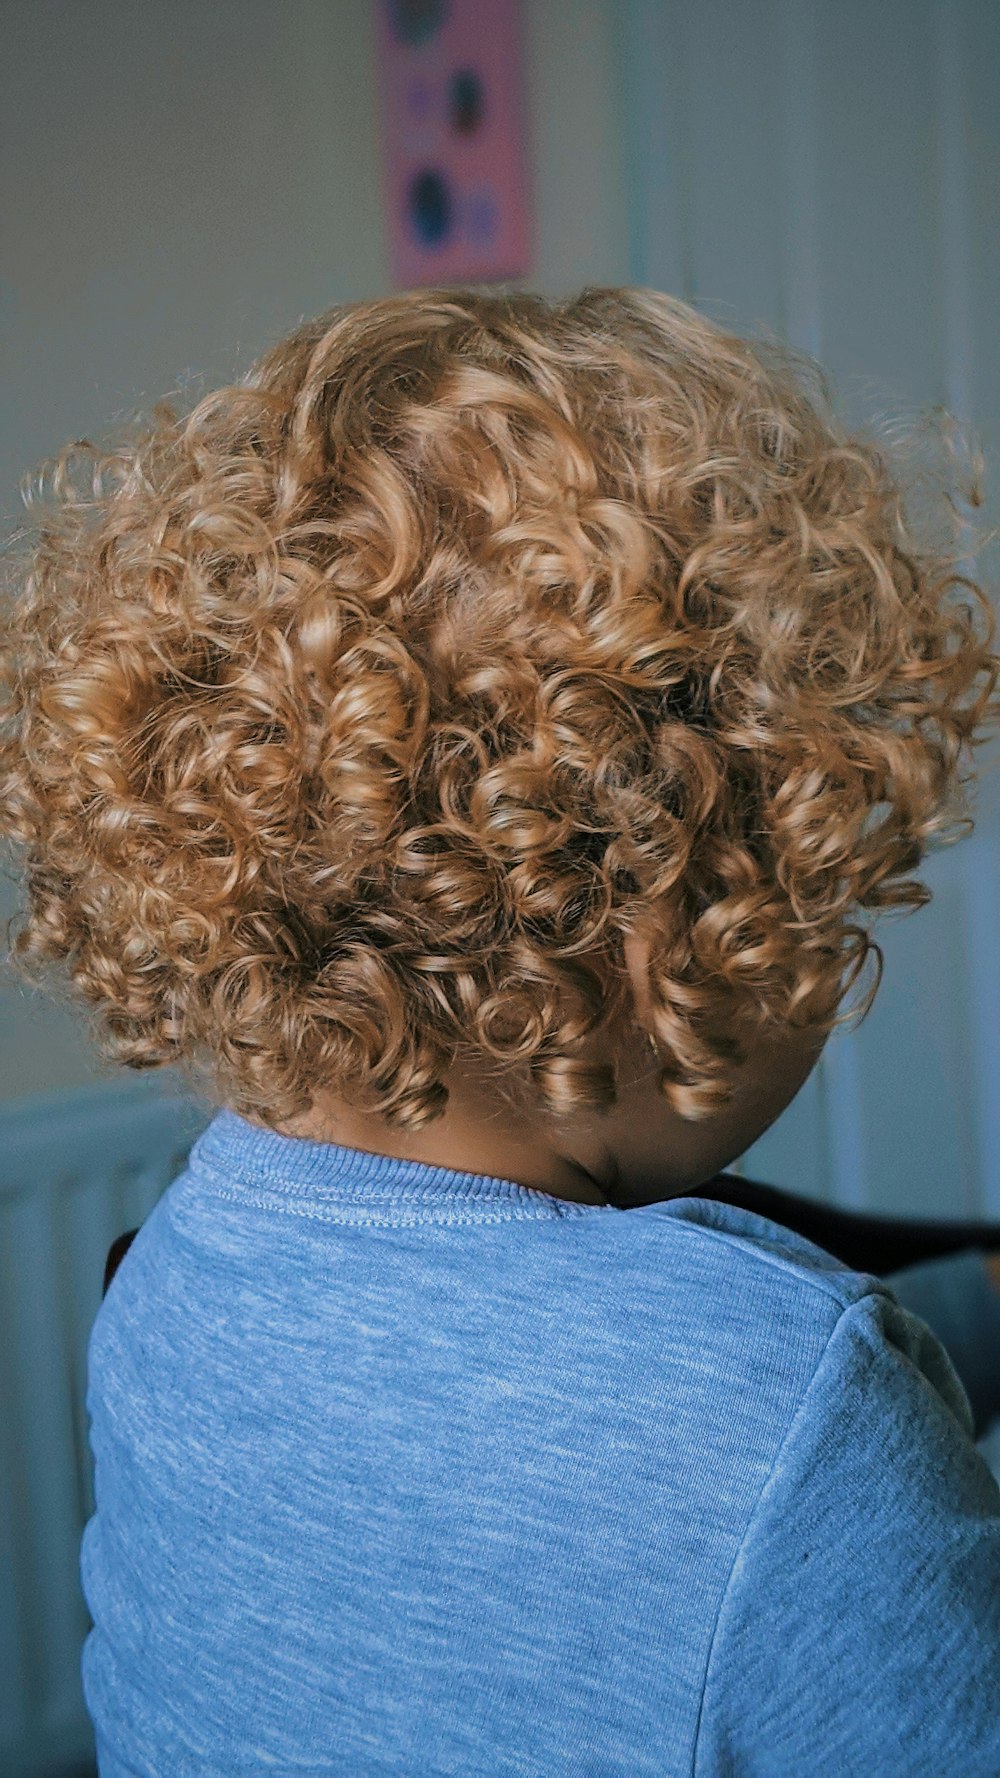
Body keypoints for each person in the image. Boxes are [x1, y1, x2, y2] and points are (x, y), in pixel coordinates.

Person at [3, 285, 1000, 1773]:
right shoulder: (796, 1407)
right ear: (675, 921)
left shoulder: (180, 1277)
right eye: (823, 888)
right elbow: (770, 1453)